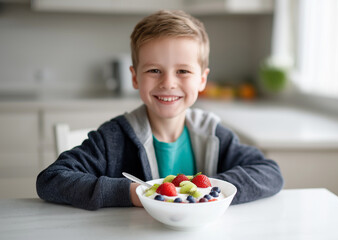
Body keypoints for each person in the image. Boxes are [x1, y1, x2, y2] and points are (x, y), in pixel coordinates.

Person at [36, 10, 284, 210]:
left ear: (202, 80)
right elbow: (52, 179)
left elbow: (270, 173)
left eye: (183, 71)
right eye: (154, 70)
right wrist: (134, 193)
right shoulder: (112, 138)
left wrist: (210, 190)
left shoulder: (214, 135)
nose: (168, 83)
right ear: (134, 78)